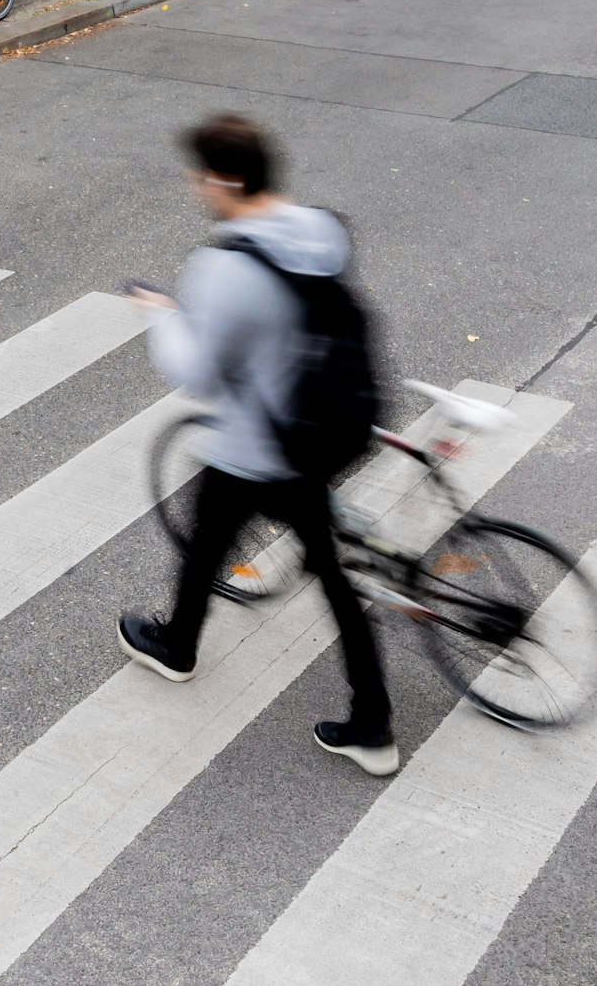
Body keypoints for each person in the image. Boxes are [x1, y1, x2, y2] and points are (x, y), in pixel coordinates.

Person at [119, 113, 398, 777]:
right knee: (297, 559)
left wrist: (163, 317)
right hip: (333, 420)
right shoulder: (319, 229)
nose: (195, 187)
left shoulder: (225, 267)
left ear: (227, 179)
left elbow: (201, 373)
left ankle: (180, 646)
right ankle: (371, 721)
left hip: (265, 440)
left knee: (226, 532)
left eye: (200, 177)